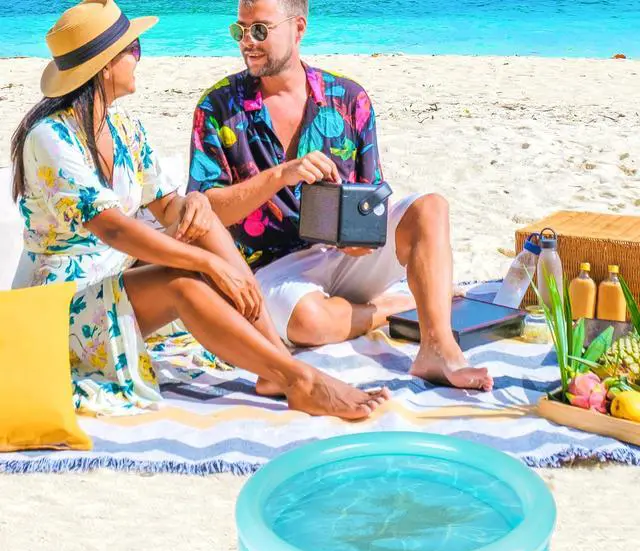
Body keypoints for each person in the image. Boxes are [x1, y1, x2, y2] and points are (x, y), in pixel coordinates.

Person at [10, 0, 389, 419]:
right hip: (60, 302)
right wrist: (210, 264)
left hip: (114, 282)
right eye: (133, 50)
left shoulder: (123, 130)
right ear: (104, 67)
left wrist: (195, 204)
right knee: (184, 285)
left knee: (202, 217)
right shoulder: (50, 137)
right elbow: (115, 230)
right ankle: (297, 378)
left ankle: (277, 363)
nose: (139, 59)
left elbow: (170, 208)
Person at [187, 0, 493, 392]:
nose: (247, 41)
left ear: (298, 28)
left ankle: (438, 347)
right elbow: (204, 210)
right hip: (273, 270)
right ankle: (394, 305)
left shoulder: (348, 98)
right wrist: (279, 176)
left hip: (347, 258)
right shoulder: (217, 106)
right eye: (239, 30)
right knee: (310, 323)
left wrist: (362, 237)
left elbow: (373, 196)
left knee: (430, 207)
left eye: (259, 30)